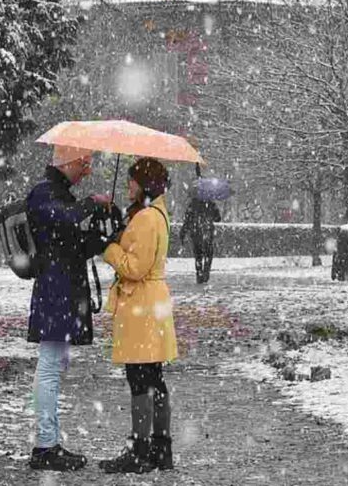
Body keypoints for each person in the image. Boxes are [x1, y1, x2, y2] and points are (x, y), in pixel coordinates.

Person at [25, 145, 112, 472]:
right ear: (68, 162)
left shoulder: (59, 194)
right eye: (85, 164)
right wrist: (92, 203)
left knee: (54, 365)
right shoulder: (45, 194)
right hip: (55, 292)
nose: (87, 171)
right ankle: (45, 446)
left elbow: (76, 246)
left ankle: (49, 442)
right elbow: (64, 220)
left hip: (62, 291)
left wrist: (105, 234)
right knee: (49, 366)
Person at [100, 157, 178, 474]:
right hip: (151, 304)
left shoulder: (146, 217)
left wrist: (109, 248)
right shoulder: (155, 213)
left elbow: (135, 267)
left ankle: (140, 450)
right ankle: (160, 447)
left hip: (141, 305)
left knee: (139, 380)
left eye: (133, 180)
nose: (128, 185)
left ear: (144, 183)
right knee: (153, 378)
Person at [180, 197, 221, 283]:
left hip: (196, 234)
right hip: (207, 233)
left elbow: (187, 220)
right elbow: (218, 218)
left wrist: (183, 233)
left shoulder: (193, 204)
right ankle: (206, 272)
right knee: (208, 254)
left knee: (198, 256)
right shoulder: (211, 203)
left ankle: (199, 274)